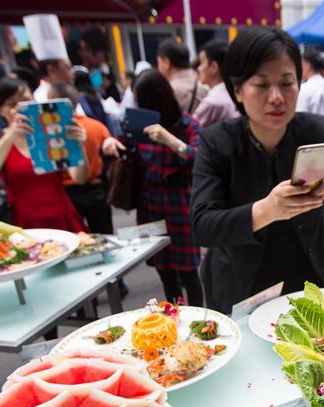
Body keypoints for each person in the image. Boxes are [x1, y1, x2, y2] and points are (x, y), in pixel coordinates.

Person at [189, 28, 324, 313]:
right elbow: (203, 226)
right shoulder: (218, 142)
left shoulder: (317, 129)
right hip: (243, 287)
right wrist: (267, 210)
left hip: (313, 279)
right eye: (261, 84)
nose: (277, 97)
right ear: (238, 90)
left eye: (286, 82)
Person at [102, 70, 202, 305]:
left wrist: (170, 140)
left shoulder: (187, 125)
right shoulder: (138, 125)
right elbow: (124, 150)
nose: (141, 106)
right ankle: (175, 317)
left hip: (180, 207)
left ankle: (200, 322)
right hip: (151, 208)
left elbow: (199, 159)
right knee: (164, 271)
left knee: (189, 273)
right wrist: (109, 144)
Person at [0, 77, 87, 231]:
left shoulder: (51, 132)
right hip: (22, 223)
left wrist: (79, 147)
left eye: (25, 100)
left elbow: (79, 178)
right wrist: (10, 137)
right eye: (11, 104)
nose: (19, 108)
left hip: (63, 217)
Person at [49, 82, 113, 234]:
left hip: (66, 194)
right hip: (95, 190)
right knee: (104, 237)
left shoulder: (47, 136)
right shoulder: (97, 126)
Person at [193, 40, 239, 128]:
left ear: (214, 67)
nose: (199, 68)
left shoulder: (212, 102)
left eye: (202, 63)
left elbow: (191, 131)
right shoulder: (237, 92)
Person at [156, 39, 208, 115]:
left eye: (159, 62)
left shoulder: (167, 91)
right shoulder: (206, 85)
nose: (158, 67)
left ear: (166, 63)